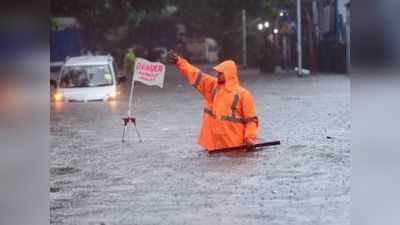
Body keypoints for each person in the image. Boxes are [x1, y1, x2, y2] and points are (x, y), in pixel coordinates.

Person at [167, 50, 258, 152]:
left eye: (221, 73)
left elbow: (251, 121)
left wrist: (249, 138)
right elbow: (195, 74)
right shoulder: (213, 87)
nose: (218, 74)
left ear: (229, 74)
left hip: (234, 147)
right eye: (218, 72)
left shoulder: (244, 95)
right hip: (213, 147)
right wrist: (179, 62)